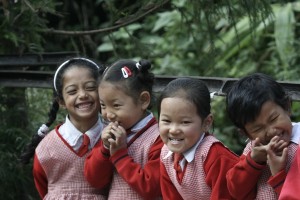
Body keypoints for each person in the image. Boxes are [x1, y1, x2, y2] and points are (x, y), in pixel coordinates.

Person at [19, 58, 108, 199]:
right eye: (72, 91)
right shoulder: (47, 147)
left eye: (91, 88)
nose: (83, 95)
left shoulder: (115, 137)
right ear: (61, 101)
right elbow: (45, 189)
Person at [84, 59, 163, 199]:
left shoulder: (159, 138)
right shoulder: (109, 136)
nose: (108, 114)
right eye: (103, 105)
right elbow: (94, 181)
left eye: (116, 105)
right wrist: (104, 149)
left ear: (143, 100)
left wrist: (120, 155)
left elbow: (151, 188)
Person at [158, 77, 239, 200]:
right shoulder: (165, 154)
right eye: (166, 121)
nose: (173, 130)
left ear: (206, 122)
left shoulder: (216, 157)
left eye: (185, 122)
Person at [226, 72, 300, 199]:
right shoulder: (254, 148)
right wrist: (253, 162)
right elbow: (236, 191)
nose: (271, 132)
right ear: (246, 133)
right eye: (258, 128)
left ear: (287, 106)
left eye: (273, 119)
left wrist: (279, 174)